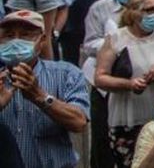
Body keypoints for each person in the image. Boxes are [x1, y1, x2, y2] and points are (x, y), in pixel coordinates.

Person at [94, 0, 154, 168]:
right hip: (128, 119)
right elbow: (100, 77)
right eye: (149, 10)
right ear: (134, 12)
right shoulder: (116, 38)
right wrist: (129, 84)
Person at [0, 10, 90, 168]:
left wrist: (40, 97)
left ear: (42, 40)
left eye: (25, 35)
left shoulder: (66, 74)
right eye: (9, 35)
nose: (16, 41)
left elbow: (79, 122)